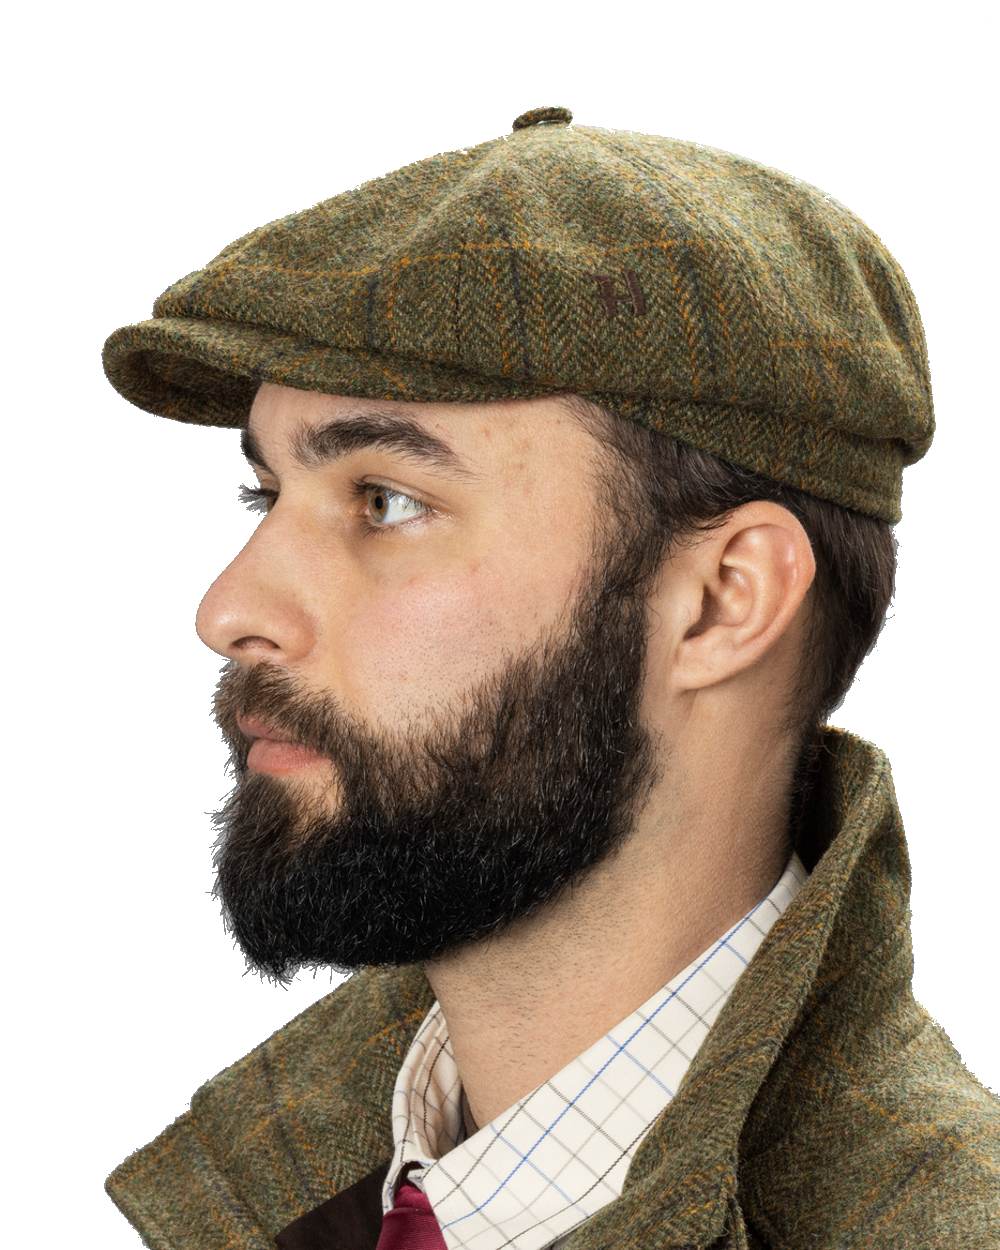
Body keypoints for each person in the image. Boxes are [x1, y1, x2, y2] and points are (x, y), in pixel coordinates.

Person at [100, 105, 1000, 1250]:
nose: (229, 611)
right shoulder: (288, 1184)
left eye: (386, 500)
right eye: (266, 493)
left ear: (722, 600)